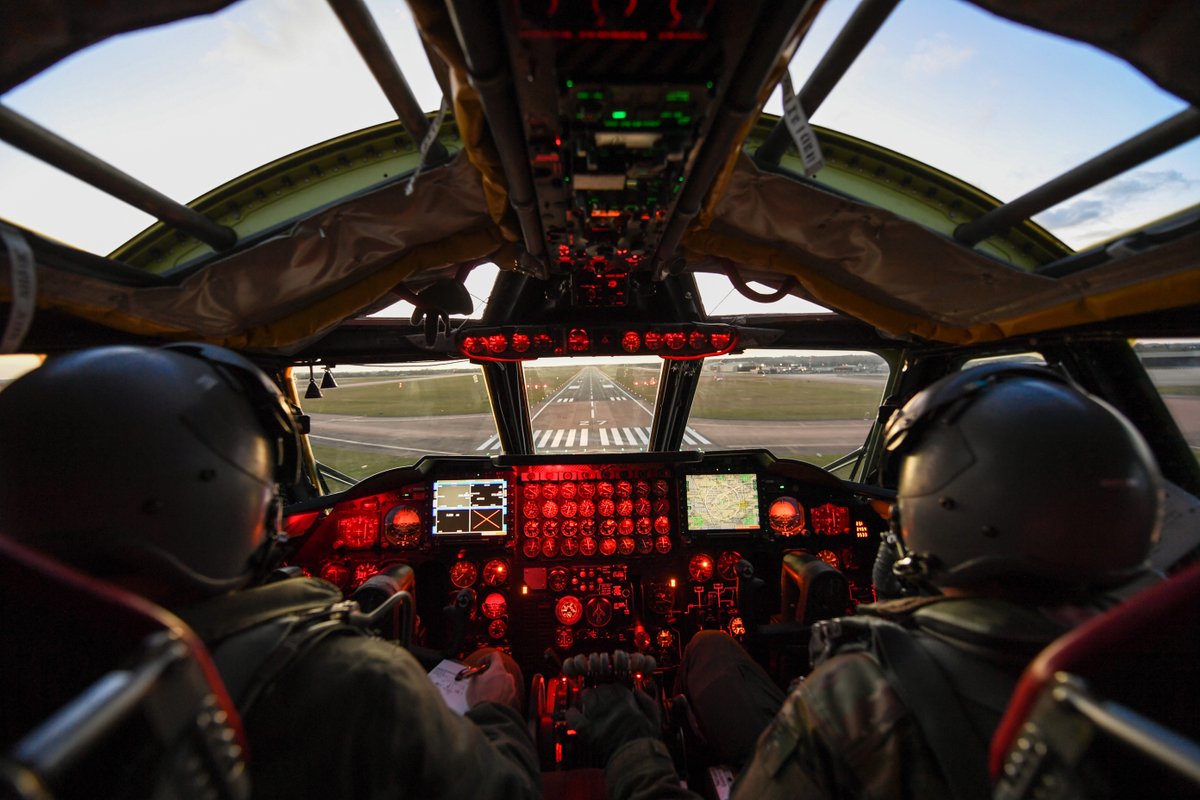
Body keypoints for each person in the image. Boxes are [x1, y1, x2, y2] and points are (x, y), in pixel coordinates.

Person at [570, 363, 1164, 800]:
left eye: (907, 503)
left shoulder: (861, 696)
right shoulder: (1162, 656)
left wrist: (633, 747)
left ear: (946, 509)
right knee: (712, 644)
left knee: (706, 646)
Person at [0, 343, 541, 799]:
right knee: (502, 672)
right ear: (225, 490)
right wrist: (494, 712)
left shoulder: (31, 670)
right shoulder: (358, 683)